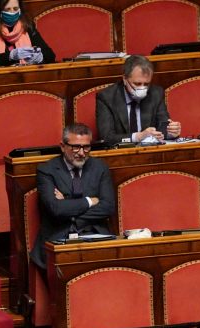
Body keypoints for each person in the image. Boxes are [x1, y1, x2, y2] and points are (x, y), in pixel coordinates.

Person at [29, 123, 116, 268]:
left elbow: (107, 207)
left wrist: (68, 206)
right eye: (76, 147)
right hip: (60, 236)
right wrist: (89, 201)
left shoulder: (100, 168)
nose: (81, 153)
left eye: (86, 147)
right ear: (63, 146)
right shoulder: (47, 170)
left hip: (94, 234)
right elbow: (55, 208)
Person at [95, 55, 182, 145]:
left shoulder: (156, 93)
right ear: (125, 79)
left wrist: (171, 132)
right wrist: (138, 137)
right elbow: (106, 137)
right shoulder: (106, 97)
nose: (142, 88)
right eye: (137, 83)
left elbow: (162, 127)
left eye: (146, 84)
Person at [0, 0, 54, 67]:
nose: (12, 12)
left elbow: (50, 55)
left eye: (15, 8)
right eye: (7, 9)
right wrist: (11, 56)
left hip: (27, 77)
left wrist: (40, 57)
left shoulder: (27, 25)